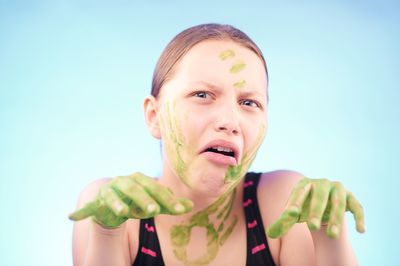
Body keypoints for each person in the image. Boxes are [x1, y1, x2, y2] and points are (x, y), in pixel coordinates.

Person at [69, 23, 365, 266]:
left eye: (249, 102)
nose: (230, 121)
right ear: (154, 115)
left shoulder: (286, 203)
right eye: (202, 95)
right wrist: (107, 234)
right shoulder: (112, 213)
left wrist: (329, 234)